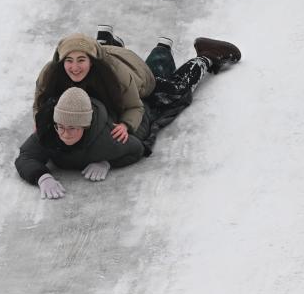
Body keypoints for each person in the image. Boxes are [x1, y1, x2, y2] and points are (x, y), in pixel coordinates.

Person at [33, 27, 241, 144]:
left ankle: (208, 55)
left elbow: (135, 106)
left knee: (173, 93)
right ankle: (105, 41)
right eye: (69, 61)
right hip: (104, 56)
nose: (74, 67)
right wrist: (38, 120)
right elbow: (40, 103)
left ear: (92, 60)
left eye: (81, 60)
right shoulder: (50, 74)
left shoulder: (117, 76)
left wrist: (126, 125)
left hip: (137, 73)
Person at [15, 87, 146, 199]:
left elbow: (136, 149)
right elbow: (26, 156)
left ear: (85, 126)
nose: (65, 134)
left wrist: (106, 162)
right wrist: (41, 177)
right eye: (60, 126)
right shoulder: (48, 131)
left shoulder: (106, 136)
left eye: (72, 128)